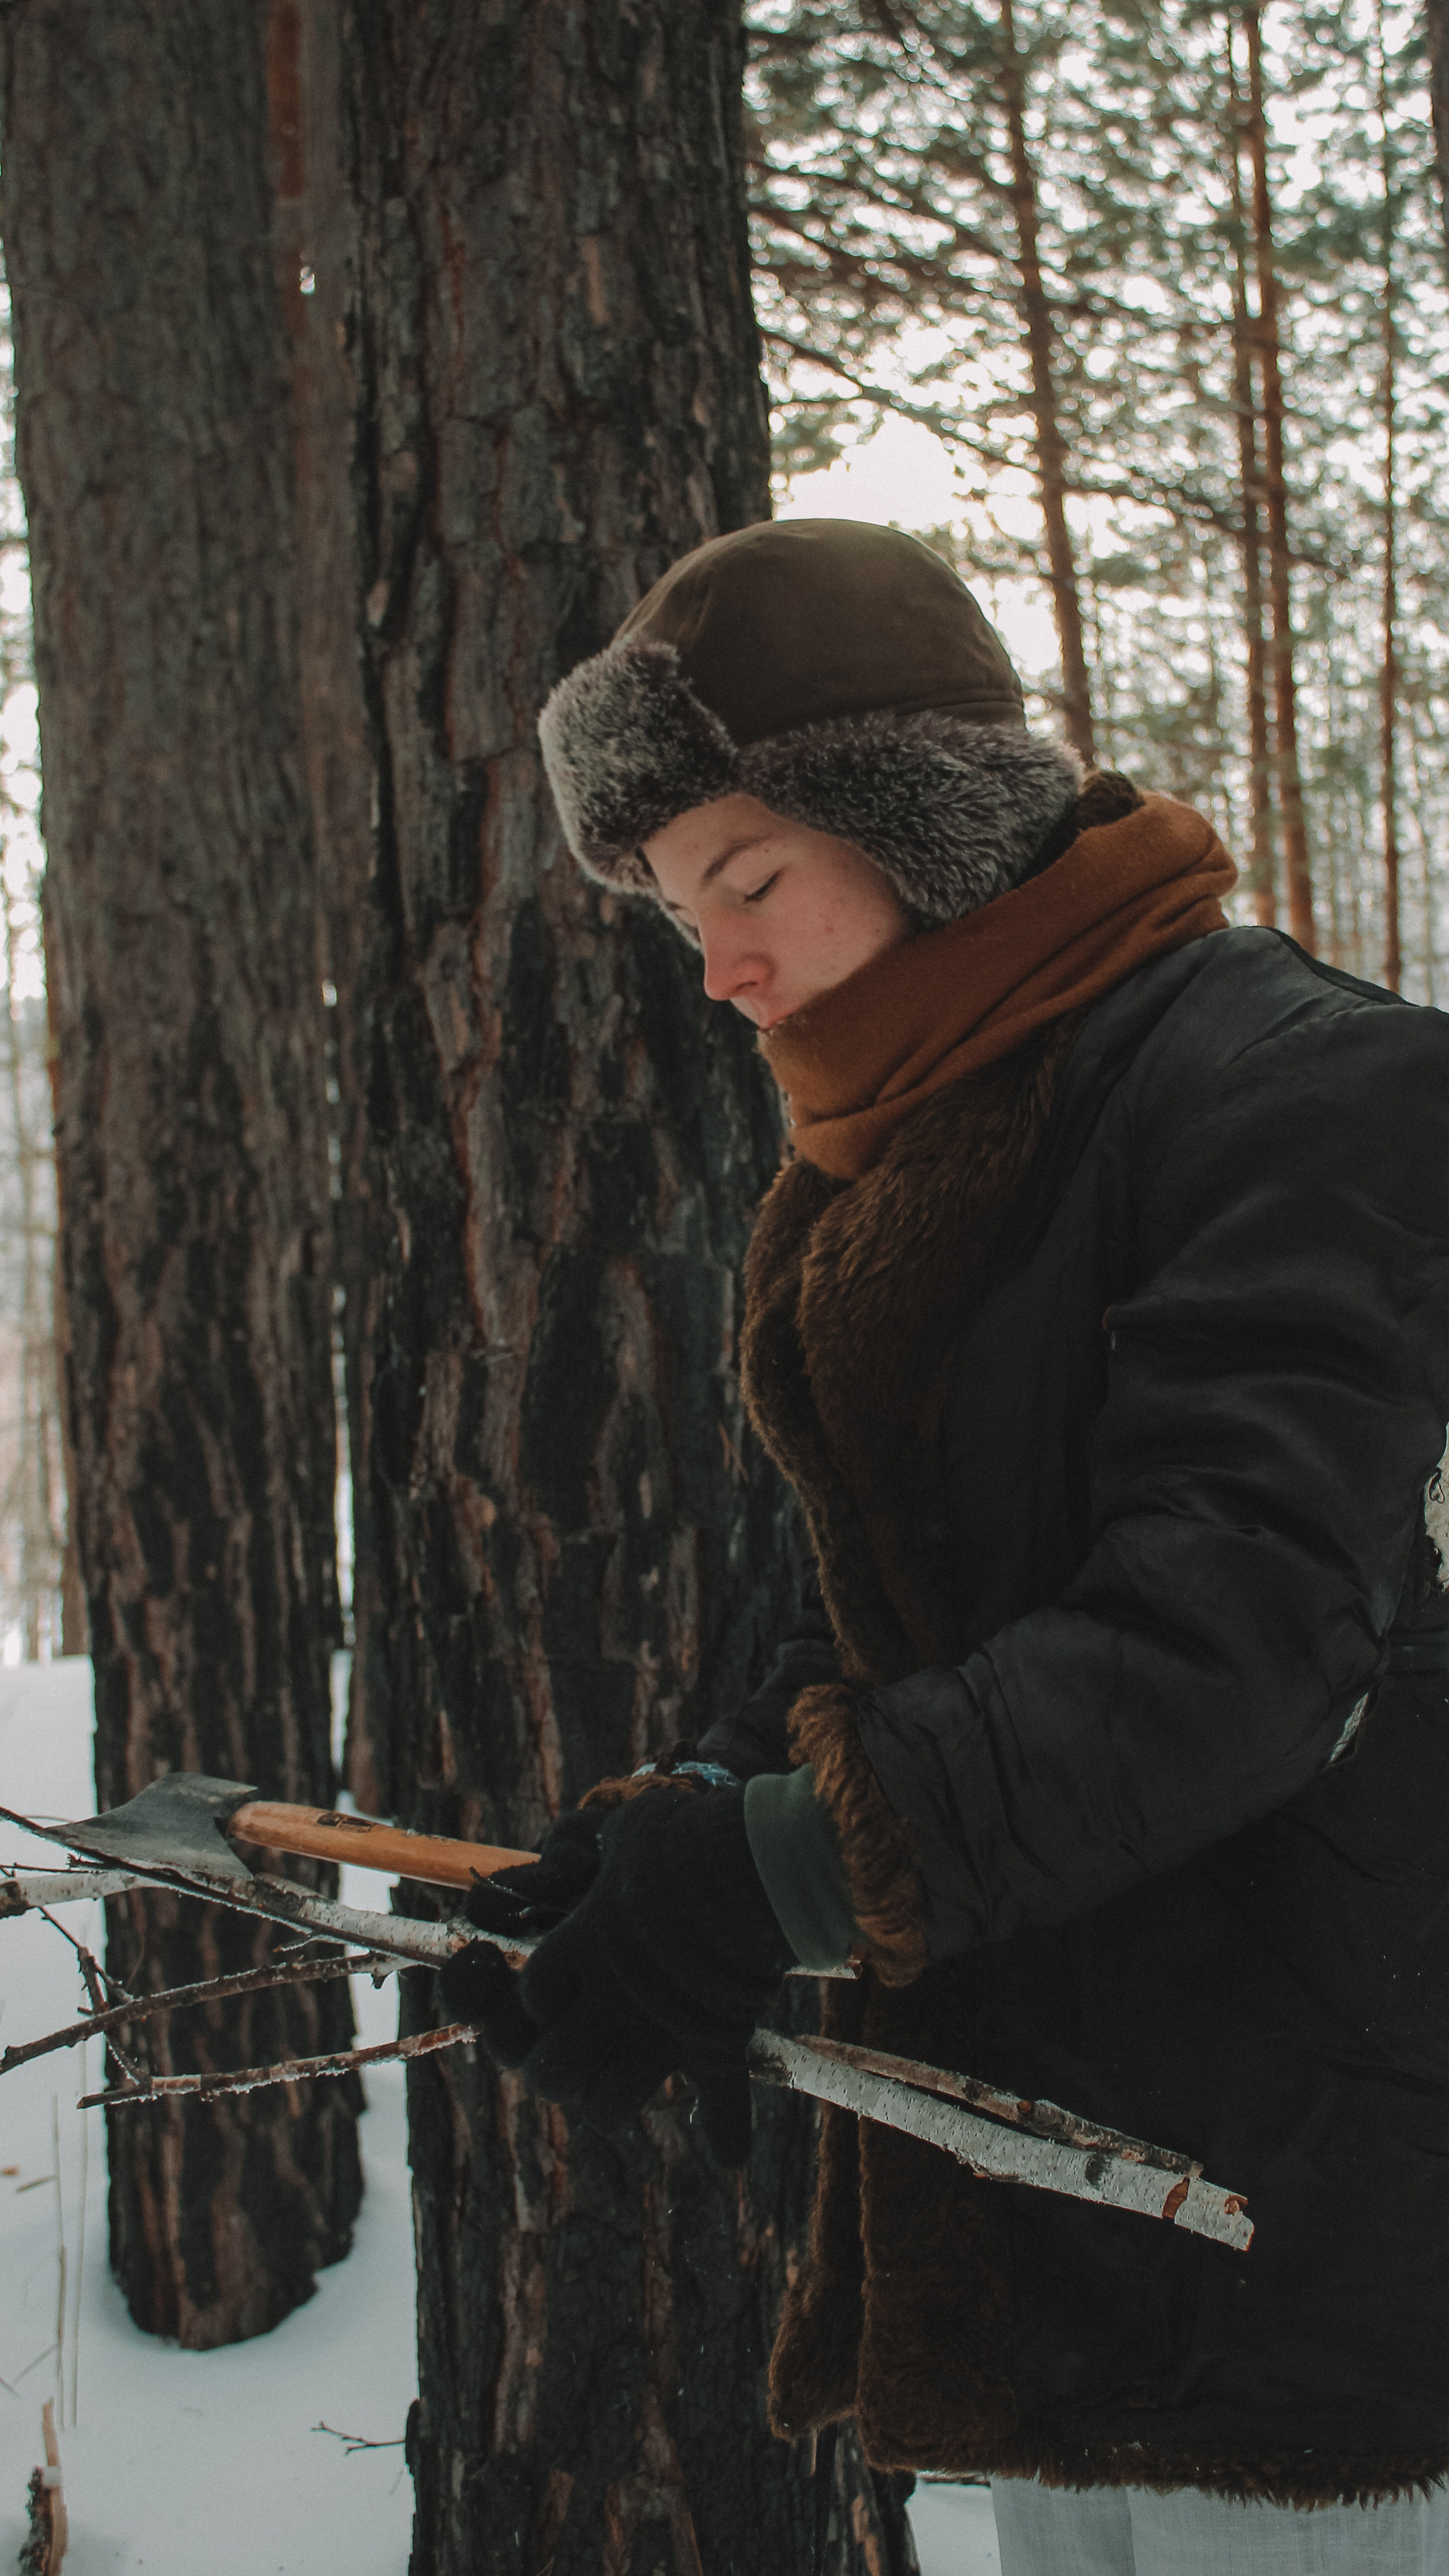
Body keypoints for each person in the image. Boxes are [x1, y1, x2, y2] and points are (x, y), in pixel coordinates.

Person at [441, 518, 1449, 2573]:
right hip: (1046, 2185)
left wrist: (798, 1863)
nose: (715, 964)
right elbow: (912, 1597)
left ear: (927, 819)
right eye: (667, 910)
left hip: (1307, 2182)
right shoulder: (947, 1124)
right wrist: (712, 1812)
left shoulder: (1294, 1086)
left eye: (748, 881)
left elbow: (1242, 1635)